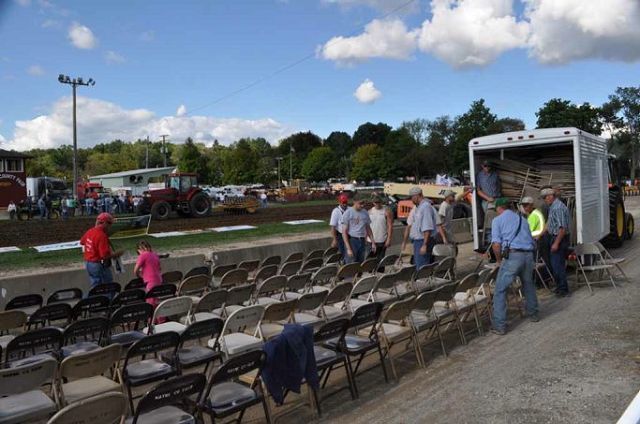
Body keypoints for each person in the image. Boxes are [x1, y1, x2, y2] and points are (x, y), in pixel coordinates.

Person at [490, 197, 539, 335]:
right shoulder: (522, 220)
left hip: (513, 256)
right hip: (528, 255)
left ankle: (499, 325)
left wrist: (499, 260)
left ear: (499, 208)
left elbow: (496, 244)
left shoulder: (497, 220)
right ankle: (533, 314)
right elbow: (532, 241)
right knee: (528, 285)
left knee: (500, 290)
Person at [79, 212, 123, 289]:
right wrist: (116, 254)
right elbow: (105, 256)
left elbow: (82, 242)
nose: (110, 226)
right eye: (109, 223)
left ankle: (94, 300)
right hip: (98, 264)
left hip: (88, 263)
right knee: (108, 287)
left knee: (95, 286)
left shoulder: (90, 231)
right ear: (104, 223)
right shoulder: (101, 236)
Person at [541, 187, 571, 297]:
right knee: (555, 265)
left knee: (557, 265)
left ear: (550, 196)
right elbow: (549, 223)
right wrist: (540, 235)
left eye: (545, 197)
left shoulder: (558, 208)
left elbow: (562, 228)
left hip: (559, 238)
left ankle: (563, 289)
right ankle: (560, 287)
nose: (545, 200)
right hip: (555, 237)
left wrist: (556, 243)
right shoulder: (553, 207)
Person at [408, 186, 437, 270]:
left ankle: (422, 282)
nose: (411, 199)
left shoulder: (425, 207)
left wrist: (424, 245)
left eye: (412, 197)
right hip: (418, 241)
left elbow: (427, 227)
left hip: (422, 240)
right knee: (419, 265)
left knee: (422, 267)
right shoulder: (419, 207)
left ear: (417, 196)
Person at [341, 195, 376, 264]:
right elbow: (344, 232)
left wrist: (373, 242)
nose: (362, 205)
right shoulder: (348, 213)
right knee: (350, 264)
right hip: (352, 240)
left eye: (363, 203)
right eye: (360, 203)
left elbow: (368, 228)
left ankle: (358, 275)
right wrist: (348, 248)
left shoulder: (365, 212)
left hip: (362, 240)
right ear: (354, 202)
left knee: (360, 263)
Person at [134, 240, 163, 308]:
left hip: (150, 281)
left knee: (150, 302)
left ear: (139, 250)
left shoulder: (142, 256)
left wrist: (139, 275)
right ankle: (160, 318)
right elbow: (159, 268)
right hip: (158, 279)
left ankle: (151, 318)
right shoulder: (155, 255)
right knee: (156, 300)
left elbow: (135, 270)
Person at [476, 160, 501, 230]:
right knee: (489, 220)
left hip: (496, 199)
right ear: (482, 166)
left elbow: (499, 187)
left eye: (489, 166)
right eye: (485, 166)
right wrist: (487, 198)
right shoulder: (479, 176)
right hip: (486, 201)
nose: (487, 168)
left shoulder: (495, 174)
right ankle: (489, 238)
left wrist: (498, 197)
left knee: (498, 219)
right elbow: (478, 190)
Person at [367, 193, 393, 261]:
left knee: (380, 260)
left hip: (381, 240)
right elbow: (366, 226)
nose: (377, 204)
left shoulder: (386, 211)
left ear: (381, 201)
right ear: (373, 202)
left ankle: (380, 271)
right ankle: (371, 271)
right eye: (376, 202)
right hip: (370, 240)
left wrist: (389, 239)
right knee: (370, 261)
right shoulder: (369, 212)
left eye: (379, 202)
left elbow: (390, 226)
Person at [329, 194, 349, 260]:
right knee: (343, 252)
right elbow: (333, 226)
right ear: (339, 202)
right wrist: (334, 239)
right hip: (340, 235)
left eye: (346, 202)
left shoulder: (350, 209)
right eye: (343, 203)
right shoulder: (336, 211)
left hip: (350, 234)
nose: (345, 204)